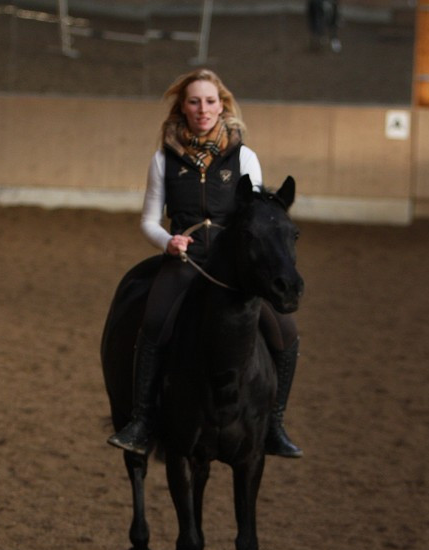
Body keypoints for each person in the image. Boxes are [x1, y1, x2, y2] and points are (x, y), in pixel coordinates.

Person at [107, 68, 303, 459]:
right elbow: (148, 220)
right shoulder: (163, 159)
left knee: (286, 333)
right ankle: (143, 420)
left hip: (234, 268)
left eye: (210, 101)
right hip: (187, 260)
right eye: (194, 101)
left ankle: (275, 423)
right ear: (182, 107)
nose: (203, 109)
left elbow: (257, 218)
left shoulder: (244, 156)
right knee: (154, 323)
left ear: (222, 105)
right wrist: (169, 241)